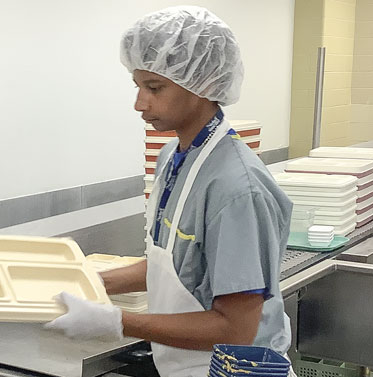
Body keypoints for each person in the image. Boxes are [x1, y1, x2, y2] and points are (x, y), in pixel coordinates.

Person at [44, 6, 296, 377]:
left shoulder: (238, 189)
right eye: (138, 86)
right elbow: (174, 267)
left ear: (203, 84)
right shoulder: (174, 157)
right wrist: (94, 282)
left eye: (154, 88)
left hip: (237, 370)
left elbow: (236, 330)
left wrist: (117, 322)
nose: (139, 103)